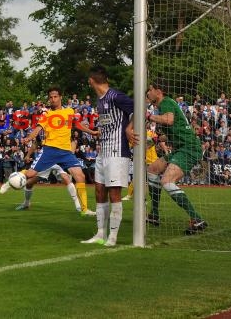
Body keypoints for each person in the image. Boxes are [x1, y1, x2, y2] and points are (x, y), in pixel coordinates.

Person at [2, 87, 98, 217]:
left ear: (60, 97)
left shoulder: (69, 111)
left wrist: (92, 132)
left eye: (55, 97)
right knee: (30, 174)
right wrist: (29, 137)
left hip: (65, 152)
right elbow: (37, 129)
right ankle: (10, 182)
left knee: (80, 176)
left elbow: (77, 124)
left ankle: (84, 210)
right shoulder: (47, 114)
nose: (53, 99)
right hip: (50, 150)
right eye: (51, 97)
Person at [81, 66, 135, 247]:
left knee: (114, 194)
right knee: (99, 191)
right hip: (103, 151)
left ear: (91, 81)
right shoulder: (100, 100)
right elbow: (109, 121)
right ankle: (100, 234)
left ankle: (112, 237)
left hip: (117, 152)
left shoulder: (116, 96)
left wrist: (129, 128)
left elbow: (138, 109)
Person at [145, 78, 207, 235]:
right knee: (152, 169)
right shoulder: (163, 105)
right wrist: (156, 140)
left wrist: (148, 116)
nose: (148, 92)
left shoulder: (165, 102)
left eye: (151, 89)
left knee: (166, 181)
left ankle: (196, 219)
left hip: (189, 148)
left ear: (159, 92)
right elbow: (174, 131)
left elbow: (169, 120)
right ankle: (154, 214)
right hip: (181, 147)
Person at [1, 139, 83, 213]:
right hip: (47, 157)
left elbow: (73, 141)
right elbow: (35, 143)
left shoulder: (62, 129)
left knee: (66, 179)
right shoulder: (43, 129)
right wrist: (28, 155)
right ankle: (25, 202)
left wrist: (70, 155)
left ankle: (78, 205)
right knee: (29, 182)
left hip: (60, 156)